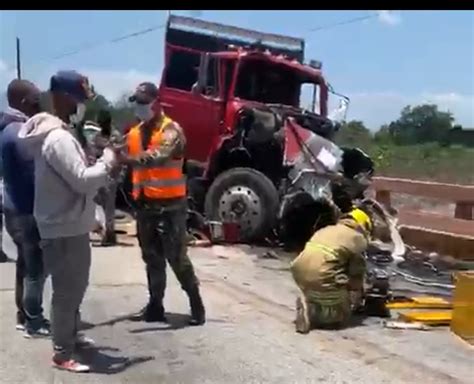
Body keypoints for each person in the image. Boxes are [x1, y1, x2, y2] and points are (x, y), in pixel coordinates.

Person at [18, 70, 118, 373]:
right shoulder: (58, 138)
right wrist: (109, 159)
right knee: (67, 291)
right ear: (62, 97)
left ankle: (70, 336)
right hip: (63, 227)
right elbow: (82, 180)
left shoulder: (61, 134)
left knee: (75, 286)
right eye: (78, 99)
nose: (81, 106)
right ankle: (62, 352)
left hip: (69, 223)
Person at [122, 82, 205, 325]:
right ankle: (155, 305)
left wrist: (127, 159)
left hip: (170, 207)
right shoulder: (135, 132)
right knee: (151, 258)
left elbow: (158, 157)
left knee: (177, 258)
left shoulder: (172, 131)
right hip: (145, 205)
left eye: (143, 102)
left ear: (156, 103)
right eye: (136, 102)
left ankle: (196, 304)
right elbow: (120, 148)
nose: (139, 107)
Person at [0, 79, 49, 336]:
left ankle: (24, 314)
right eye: (34, 98)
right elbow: (34, 171)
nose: (38, 103)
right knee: (36, 267)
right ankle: (33, 319)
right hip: (25, 209)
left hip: (15, 206)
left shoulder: (10, 128)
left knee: (25, 264)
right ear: (21, 101)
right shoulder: (18, 130)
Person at [290, 205, 375, 333]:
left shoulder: (327, 229)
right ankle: (313, 313)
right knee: (339, 317)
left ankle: (310, 301)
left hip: (298, 269)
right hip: (322, 273)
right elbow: (357, 271)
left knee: (323, 286)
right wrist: (357, 293)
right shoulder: (358, 238)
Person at [92, 109, 123, 246]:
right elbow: (94, 154)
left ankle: (109, 235)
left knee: (109, 207)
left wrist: (119, 175)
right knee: (98, 203)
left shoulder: (115, 135)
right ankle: (105, 231)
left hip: (112, 175)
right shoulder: (98, 136)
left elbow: (119, 156)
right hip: (100, 174)